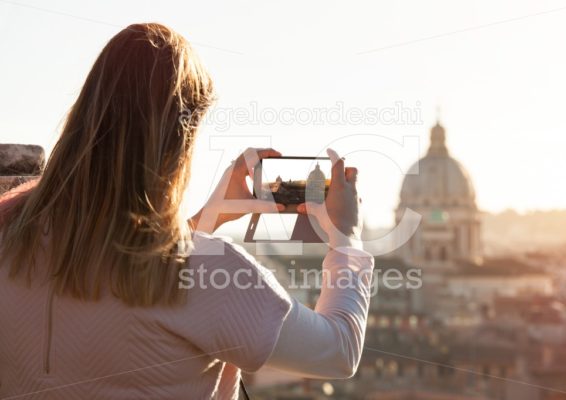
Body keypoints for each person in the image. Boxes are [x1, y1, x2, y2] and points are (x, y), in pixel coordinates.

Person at [0, 23, 374, 400]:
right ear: (181, 141)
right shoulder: (214, 275)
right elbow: (338, 352)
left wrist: (207, 217)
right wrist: (347, 239)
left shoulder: (9, 234)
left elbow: (127, 269)